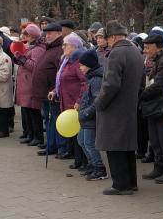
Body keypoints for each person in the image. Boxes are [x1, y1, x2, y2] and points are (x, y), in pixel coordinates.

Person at [95, 21, 145, 195]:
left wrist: (99, 103)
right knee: (127, 147)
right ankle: (131, 182)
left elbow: (111, 84)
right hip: (130, 105)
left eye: (107, 38)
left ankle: (120, 185)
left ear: (114, 37)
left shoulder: (116, 53)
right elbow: (141, 82)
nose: (106, 41)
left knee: (114, 146)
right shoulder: (136, 51)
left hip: (115, 107)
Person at [139, 30, 163, 183]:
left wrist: (139, 94)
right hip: (154, 107)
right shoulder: (158, 60)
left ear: (157, 47)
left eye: (148, 48)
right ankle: (158, 167)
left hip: (162, 107)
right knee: (154, 139)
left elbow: (159, 86)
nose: (145, 51)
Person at [53, 34, 87, 161]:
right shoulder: (66, 61)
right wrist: (54, 90)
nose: (63, 47)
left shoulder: (77, 62)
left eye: (65, 45)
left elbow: (85, 83)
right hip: (65, 100)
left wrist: (79, 100)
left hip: (74, 102)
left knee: (78, 132)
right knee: (71, 132)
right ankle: (74, 156)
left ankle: (82, 160)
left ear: (74, 46)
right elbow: (61, 79)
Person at [34, 23, 65, 157]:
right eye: (46, 33)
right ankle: (51, 145)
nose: (47, 36)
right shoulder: (49, 48)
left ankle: (60, 147)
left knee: (55, 120)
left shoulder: (60, 49)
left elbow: (61, 73)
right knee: (48, 120)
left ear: (59, 33)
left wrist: (55, 89)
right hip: (44, 93)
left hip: (53, 93)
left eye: (50, 33)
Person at [76, 49, 106, 181]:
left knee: (89, 143)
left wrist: (86, 113)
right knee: (81, 141)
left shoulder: (96, 80)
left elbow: (96, 101)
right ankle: (92, 164)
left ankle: (99, 168)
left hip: (90, 118)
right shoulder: (91, 78)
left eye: (82, 65)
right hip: (84, 117)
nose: (80, 68)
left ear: (88, 65)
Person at [13, 24, 45, 145]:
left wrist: (21, 58)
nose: (24, 37)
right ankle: (30, 134)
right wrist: (18, 58)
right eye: (24, 34)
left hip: (31, 85)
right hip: (26, 85)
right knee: (27, 112)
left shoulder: (37, 49)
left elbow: (33, 66)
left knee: (34, 113)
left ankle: (37, 137)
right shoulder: (30, 47)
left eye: (27, 34)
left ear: (33, 36)